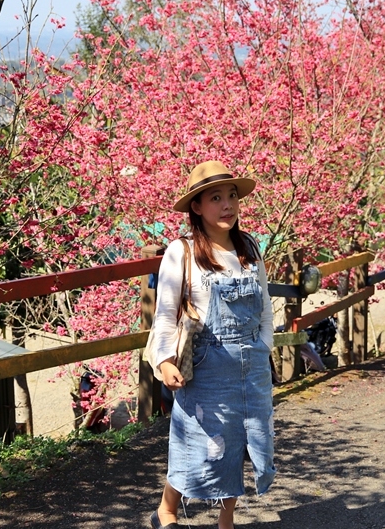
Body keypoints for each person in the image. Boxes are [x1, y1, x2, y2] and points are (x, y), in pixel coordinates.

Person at [149, 160, 275, 529]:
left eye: (232, 196)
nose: (227, 205)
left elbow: (265, 308)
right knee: (201, 445)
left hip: (251, 364)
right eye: (215, 197)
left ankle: (226, 521)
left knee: (243, 442)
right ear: (197, 207)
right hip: (207, 366)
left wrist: (263, 346)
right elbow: (165, 314)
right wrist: (164, 361)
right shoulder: (181, 251)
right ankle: (166, 511)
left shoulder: (249, 246)